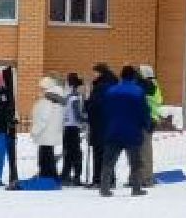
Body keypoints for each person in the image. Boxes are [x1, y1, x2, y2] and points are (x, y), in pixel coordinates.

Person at [97, 66, 152, 197]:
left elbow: (105, 110)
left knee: (108, 161)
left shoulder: (111, 90)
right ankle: (136, 188)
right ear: (133, 77)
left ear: (121, 76)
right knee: (135, 162)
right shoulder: (138, 91)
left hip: (113, 130)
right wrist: (146, 125)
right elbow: (144, 111)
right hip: (132, 132)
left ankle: (104, 188)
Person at [30, 77, 66, 183]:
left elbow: (43, 118)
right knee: (49, 154)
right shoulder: (57, 100)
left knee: (45, 156)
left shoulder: (47, 101)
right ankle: (51, 176)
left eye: (41, 88)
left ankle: (46, 176)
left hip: (45, 133)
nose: (40, 90)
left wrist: (35, 131)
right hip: (51, 133)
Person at [137, 64, 164, 187]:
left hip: (148, 119)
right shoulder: (152, 84)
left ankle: (146, 178)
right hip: (151, 118)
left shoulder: (149, 85)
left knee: (145, 150)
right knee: (142, 149)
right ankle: (142, 176)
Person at [60, 69, 88, 186]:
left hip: (66, 127)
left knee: (68, 153)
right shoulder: (75, 98)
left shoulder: (66, 97)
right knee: (77, 154)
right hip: (73, 128)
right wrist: (85, 119)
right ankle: (76, 176)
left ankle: (65, 175)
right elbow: (77, 115)